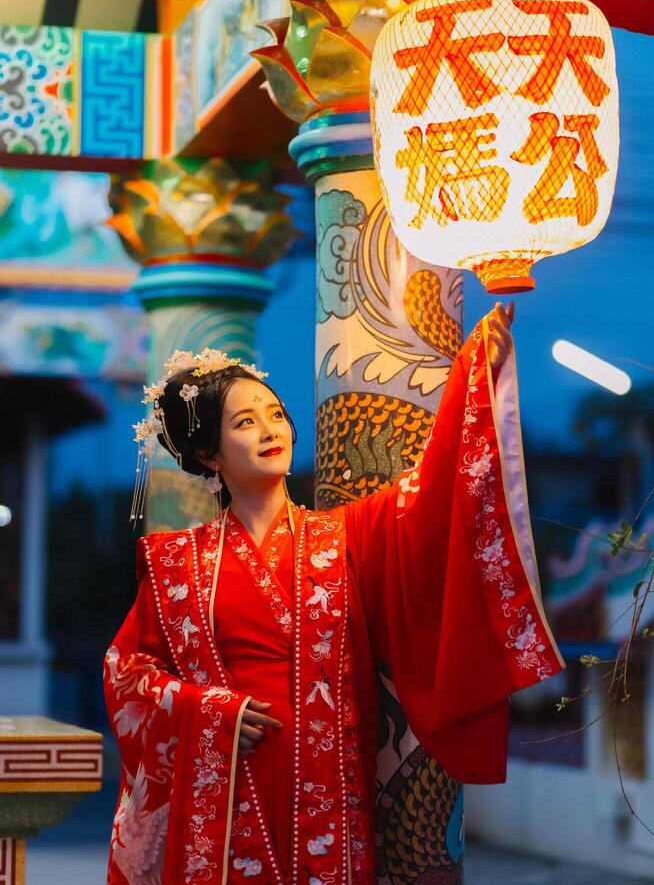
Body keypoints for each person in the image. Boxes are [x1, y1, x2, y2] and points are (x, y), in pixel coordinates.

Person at [105, 301, 564, 884]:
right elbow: (127, 671)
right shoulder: (176, 560)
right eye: (244, 422)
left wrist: (472, 377)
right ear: (208, 455)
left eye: (274, 413)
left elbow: (434, 493)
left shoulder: (346, 534)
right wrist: (207, 712)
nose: (271, 429)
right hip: (226, 788)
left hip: (329, 785)